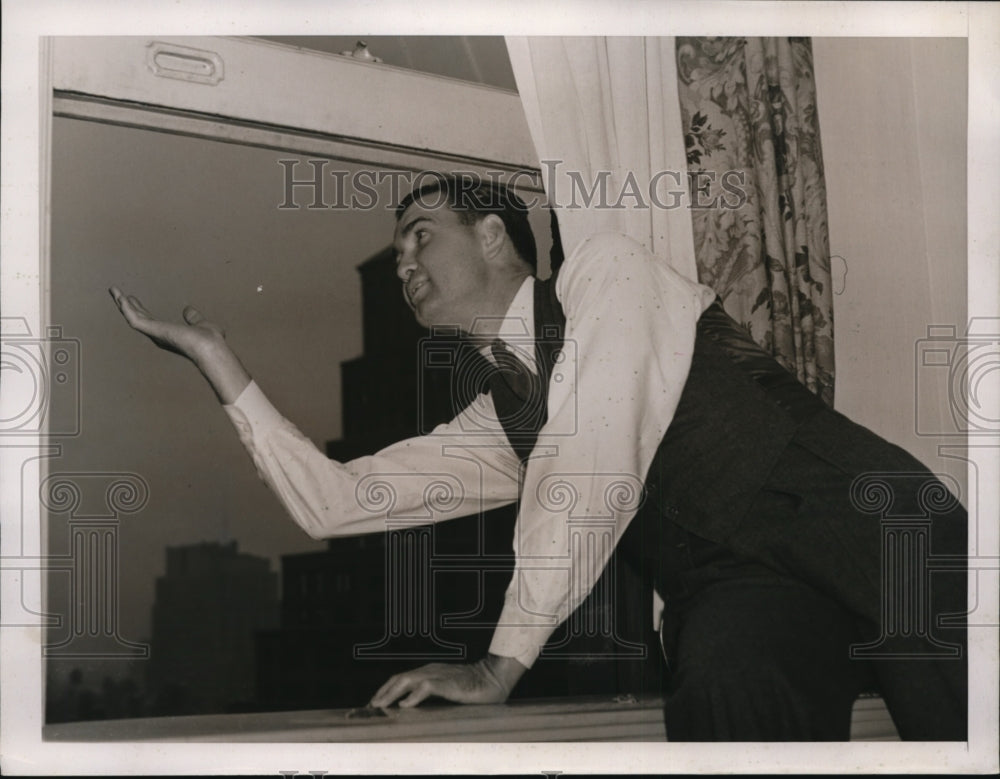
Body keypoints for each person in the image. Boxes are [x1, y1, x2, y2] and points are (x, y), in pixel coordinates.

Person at [110, 175, 967, 741]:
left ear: (491, 235)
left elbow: (591, 452)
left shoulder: (606, 271)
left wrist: (499, 664)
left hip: (867, 523)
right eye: (397, 251)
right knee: (724, 687)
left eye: (418, 235)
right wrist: (219, 365)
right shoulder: (505, 416)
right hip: (740, 585)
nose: (402, 262)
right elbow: (341, 500)